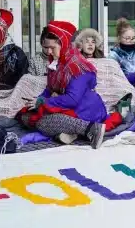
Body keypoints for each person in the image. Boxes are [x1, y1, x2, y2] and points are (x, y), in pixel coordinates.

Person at [20, 21, 107, 149]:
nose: (49, 52)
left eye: (52, 48)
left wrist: (43, 101)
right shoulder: (56, 61)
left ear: (64, 44)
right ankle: (69, 133)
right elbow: (50, 89)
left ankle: (92, 129)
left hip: (86, 109)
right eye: (46, 47)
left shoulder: (77, 66)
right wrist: (36, 101)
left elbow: (72, 99)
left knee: (42, 122)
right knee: (25, 116)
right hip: (66, 107)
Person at [73, 27, 135, 111]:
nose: (90, 44)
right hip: (95, 94)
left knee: (126, 93)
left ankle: (122, 104)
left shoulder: (106, 61)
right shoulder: (77, 63)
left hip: (114, 89)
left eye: (93, 42)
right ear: (80, 45)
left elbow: (119, 79)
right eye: (87, 42)